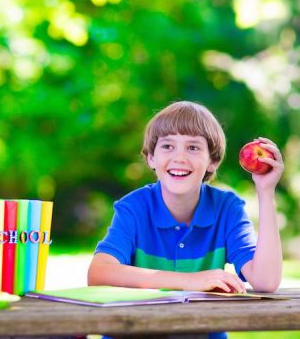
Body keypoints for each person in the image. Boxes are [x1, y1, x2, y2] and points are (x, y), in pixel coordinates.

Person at [88, 101, 283, 295]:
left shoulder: (226, 208)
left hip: (204, 325)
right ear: (151, 158)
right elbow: (98, 273)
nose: (179, 157)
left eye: (193, 148)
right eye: (167, 146)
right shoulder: (134, 208)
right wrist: (189, 280)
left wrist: (266, 192)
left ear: (213, 161)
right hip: (143, 324)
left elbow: (266, 281)